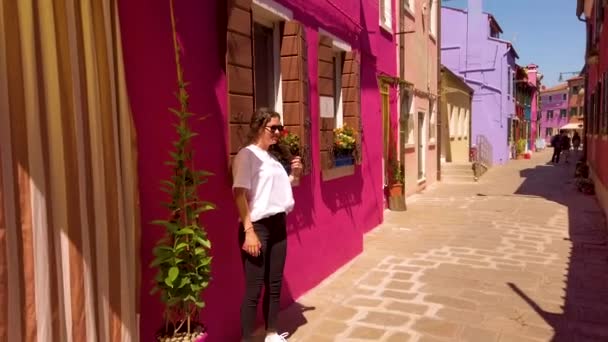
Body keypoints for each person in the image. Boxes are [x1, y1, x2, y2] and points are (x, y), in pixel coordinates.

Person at [232, 108, 303, 342]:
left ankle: (272, 333)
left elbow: (277, 190)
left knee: (274, 285)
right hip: (257, 226)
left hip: (278, 225)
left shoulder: (271, 158)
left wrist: (295, 174)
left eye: (280, 128)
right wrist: (248, 231)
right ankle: (247, 339)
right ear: (259, 127)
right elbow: (239, 194)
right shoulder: (247, 155)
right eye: (274, 128)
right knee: (254, 290)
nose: (278, 132)